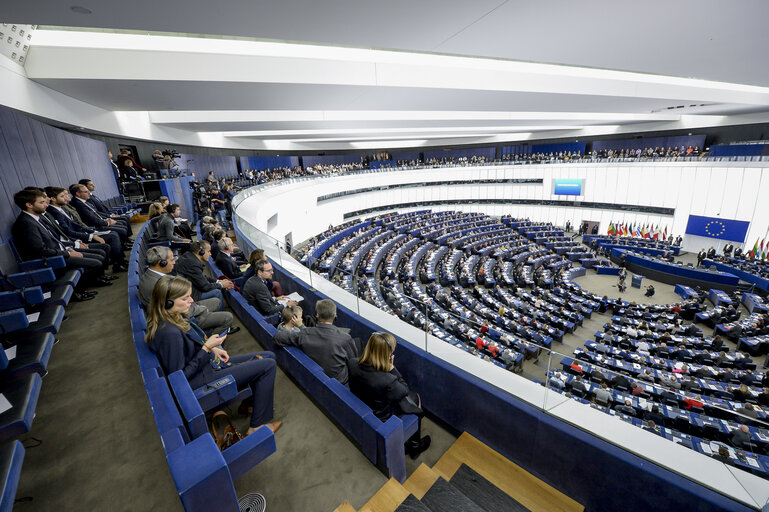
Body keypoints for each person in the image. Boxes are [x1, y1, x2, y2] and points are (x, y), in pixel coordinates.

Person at [145, 275, 280, 435]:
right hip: (201, 379)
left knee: (269, 356)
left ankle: (249, 405)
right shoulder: (169, 333)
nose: (191, 301)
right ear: (167, 302)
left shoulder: (172, 316)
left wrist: (212, 349)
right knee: (268, 366)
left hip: (206, 365)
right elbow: (180, 378)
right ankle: (257, 426)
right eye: (185, 298)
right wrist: (207, 349)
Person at [348, 331, 431, 459]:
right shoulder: (388, 380)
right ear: (388, 355)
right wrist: (392, 368)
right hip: (382, 415)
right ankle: (415, 446)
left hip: (363, 403)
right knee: (414, 398)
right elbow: (404, 390)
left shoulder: (353, 363)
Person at [11, 188, 110, 293]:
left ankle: (88, 284)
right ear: (29, 205)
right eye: (42, 202)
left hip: (59, 252)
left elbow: (54, 239)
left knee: (99, 256)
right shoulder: (26, 223)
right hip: (50, 260)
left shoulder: (37, 218)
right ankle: (81, 290)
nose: (46, 205)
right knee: (96, 263)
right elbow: (41, 251)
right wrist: (67, 253)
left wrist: (68, 248)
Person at [138, 246, 237, 334]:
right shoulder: (158, 285)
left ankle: (213, 325)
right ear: (162, 263)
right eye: (172, 260)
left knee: (216, 301)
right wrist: (201, 310)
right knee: (228, 317)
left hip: (183, 309)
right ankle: (210, 343)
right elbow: (175, 311)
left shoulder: (150, 275)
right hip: (181, 319)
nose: (174, 262)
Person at [273, 299, 358, 385]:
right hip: (339, 380)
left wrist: (302, 328)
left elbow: (277, 337)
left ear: (317, 315)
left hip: (313, 375)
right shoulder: (345, 338)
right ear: (334, 315)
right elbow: (352, 362)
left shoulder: (304, 334)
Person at [174, 241, 234, 305]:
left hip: (187, 287)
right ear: (201, 252)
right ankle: (222, 314)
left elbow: (202, 276)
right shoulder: (193, 264)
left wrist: (218, 281)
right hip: (190, 294)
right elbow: (205, 287)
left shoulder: (189, 256)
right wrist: (222, 285)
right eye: (208, 251)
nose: (210, 254)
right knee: (217, 292)